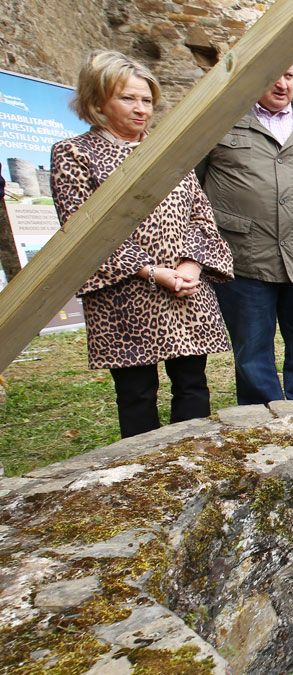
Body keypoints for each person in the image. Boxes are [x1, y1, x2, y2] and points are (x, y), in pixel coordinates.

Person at [50, 50, 233, 438]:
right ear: (98, 101)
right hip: (125, 293)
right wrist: (150, 271)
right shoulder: (75, 154)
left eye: (146, 100)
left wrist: (191, 266)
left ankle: (190, 461)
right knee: (137, 393)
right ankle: (142, 471)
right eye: (127, 98)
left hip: (184, 289)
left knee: (192, 384)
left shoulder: (169, 151)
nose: (141, 109)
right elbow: (81, 230)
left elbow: (200, 215)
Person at [198, 63, 293, 406]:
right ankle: (264, 419)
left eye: (289, 75)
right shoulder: (221, 117)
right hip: (245, 258)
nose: (282, 83)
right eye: (274, 74)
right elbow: (194, 185)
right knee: (253, 350)